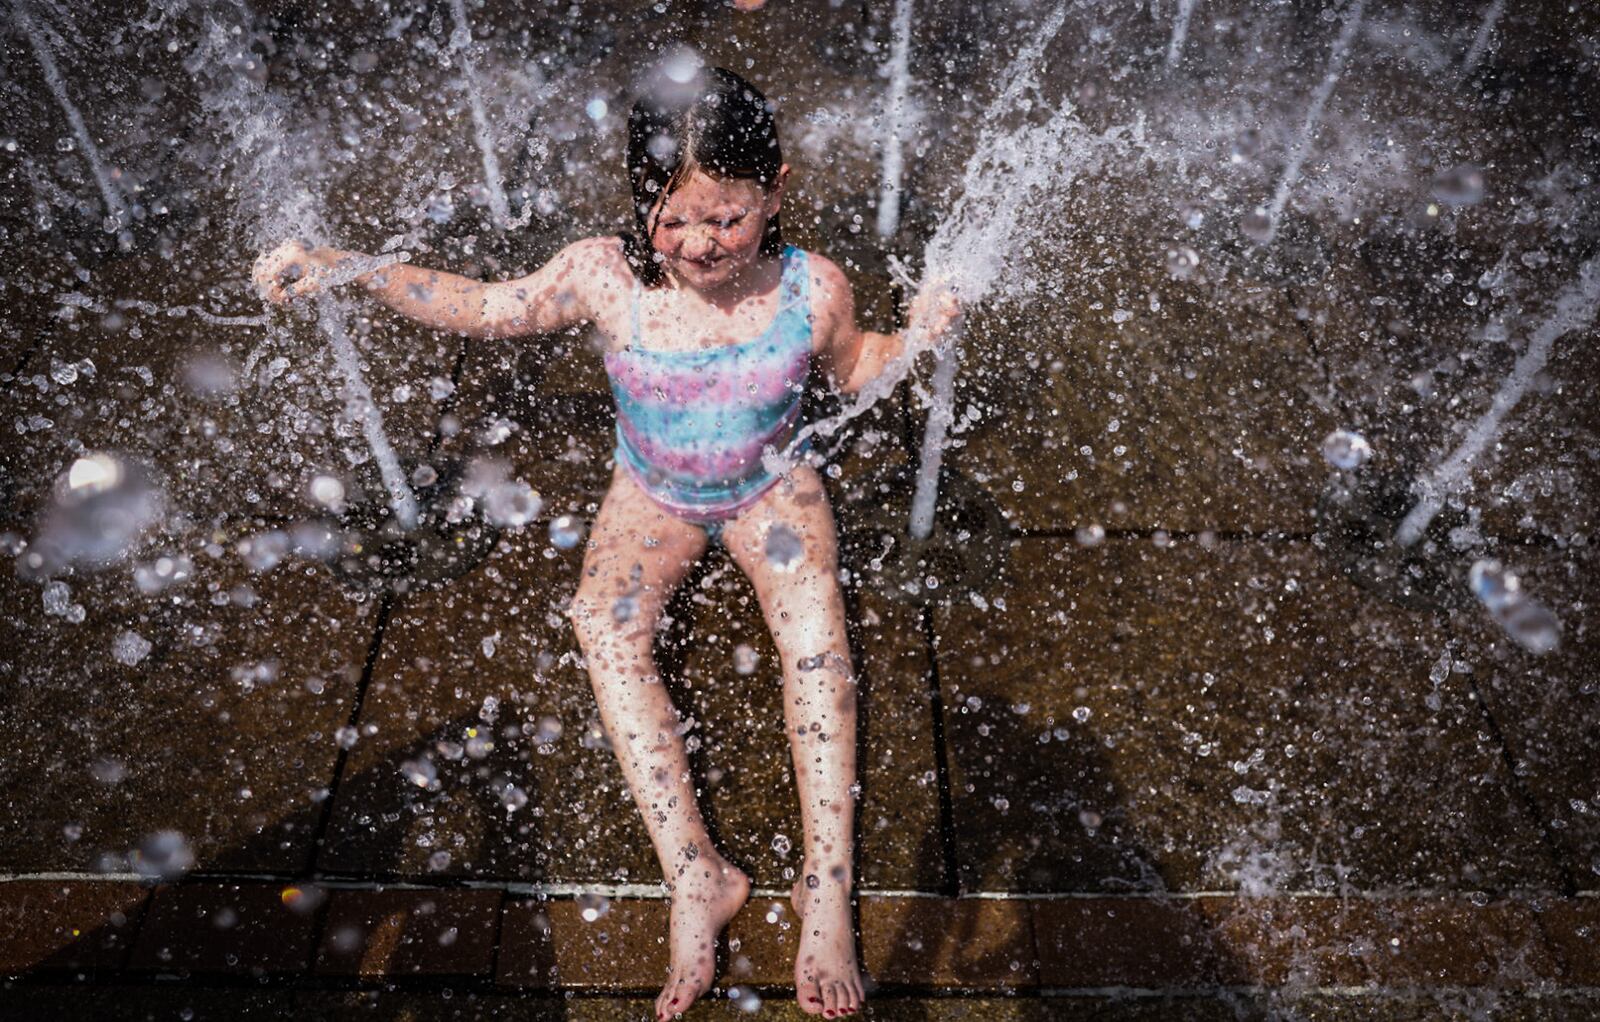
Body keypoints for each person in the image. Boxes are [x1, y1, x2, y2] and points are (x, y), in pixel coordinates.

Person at [254, 65, 958, 1020]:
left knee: (818, 648)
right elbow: (490, 306)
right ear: (638, 198)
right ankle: (694, 872)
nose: (700, 244)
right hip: (653, 492)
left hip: (770, 486)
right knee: (604, 630)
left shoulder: (810, 289)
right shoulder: (604, 275)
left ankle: (824, 884)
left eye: (727, 219)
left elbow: (859, 362)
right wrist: (354, 268)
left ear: (776, 191)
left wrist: (919, 330)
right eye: (674, 218)